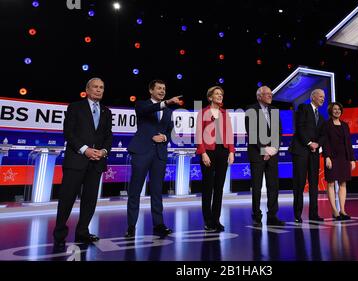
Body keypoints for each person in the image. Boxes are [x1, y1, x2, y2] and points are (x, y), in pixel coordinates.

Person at [53, 77, 113, 248]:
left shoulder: (106, 111)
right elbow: (69, 133)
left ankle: (83, 232)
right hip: (76, 160)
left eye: (101, 87)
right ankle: (59, 235)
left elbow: (108, 136)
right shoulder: (75, 107)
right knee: (67, 199)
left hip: (96, 162)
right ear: (87, 90)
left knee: (90, 200)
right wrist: (85, 149)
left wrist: (103, 152)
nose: (99, 90)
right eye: (95, 87)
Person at [125, 80, 182, 237]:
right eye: (159, 88)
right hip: (142, 152)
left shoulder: (169, 111)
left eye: (164, 88)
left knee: (157, 191)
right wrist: (166, 103)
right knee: (135, 191)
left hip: (159, 154)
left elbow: (170, 131)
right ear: (151, 90)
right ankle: (131, 226)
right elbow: (148, 111)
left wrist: (164, 137)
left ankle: (159, 224)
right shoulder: (141, 104)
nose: (162, 91)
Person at [196, 86, 235, 232]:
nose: (220, 96)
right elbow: (199, 134)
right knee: (207, 187)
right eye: (217, 94)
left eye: (221, 94)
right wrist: (203, 153)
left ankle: (216, 220)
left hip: (223, 151)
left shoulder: (225, 114)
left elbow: (230, 134)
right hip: (208, 152)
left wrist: (231, 151)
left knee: (219, 188)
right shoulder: (203, 112)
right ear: (210, 97)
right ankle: (208, 221)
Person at [245, 86, 285, 227]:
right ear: (259, 96)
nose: (270, 95)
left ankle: (272, 215)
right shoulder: (251, 110)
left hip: (272, 154)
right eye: (266, 94)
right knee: (256, 186)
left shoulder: (274, 110)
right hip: (257, 153)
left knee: (273, 185)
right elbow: (252, 133)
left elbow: (279, 132)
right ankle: (256, 215)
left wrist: (272, 150)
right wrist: (264, 150)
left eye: (270, 93)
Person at [288, 88, 326, 223]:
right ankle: (298, 214)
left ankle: (313, 214)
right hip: (301, 151)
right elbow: (299, 127)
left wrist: (317, 144)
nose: (323, 99)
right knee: (299, 183)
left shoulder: (321, 118)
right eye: (321, 96)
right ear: (313, 97)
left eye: (324, 97)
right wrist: (309, 143)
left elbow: (323, 135)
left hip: (314, 154)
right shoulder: (303, 108)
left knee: (314, 184)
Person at [322, 102, 356, 220]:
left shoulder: (345, 125)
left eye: (339, 109)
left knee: (343, 183)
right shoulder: (326, 125)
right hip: (331, 158)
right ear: (330, 111)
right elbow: (325, 142)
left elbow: (349, 143)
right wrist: (327, 157)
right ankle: (334, 211)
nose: (337, 111)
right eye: (335, 109)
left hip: (344, 158)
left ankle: (343, 210)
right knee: (331, 183)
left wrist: (352, 159)